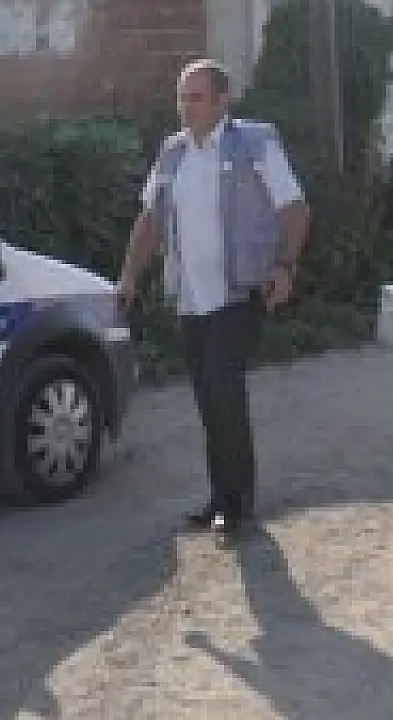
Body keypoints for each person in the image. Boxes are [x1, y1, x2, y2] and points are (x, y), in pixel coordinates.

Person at [117, 59, 311, 536]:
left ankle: (236, 501)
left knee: (224, 390)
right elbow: (150, 221)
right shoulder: (172, 153)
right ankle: (221, 495)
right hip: (190, 297)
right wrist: (128, 278)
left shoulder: (255, 143)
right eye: (182, 98)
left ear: (223, 101)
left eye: (196, 98)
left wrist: (284, 266)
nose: (186, 108)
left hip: (238, 291)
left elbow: (295, 209)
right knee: (208, 397)